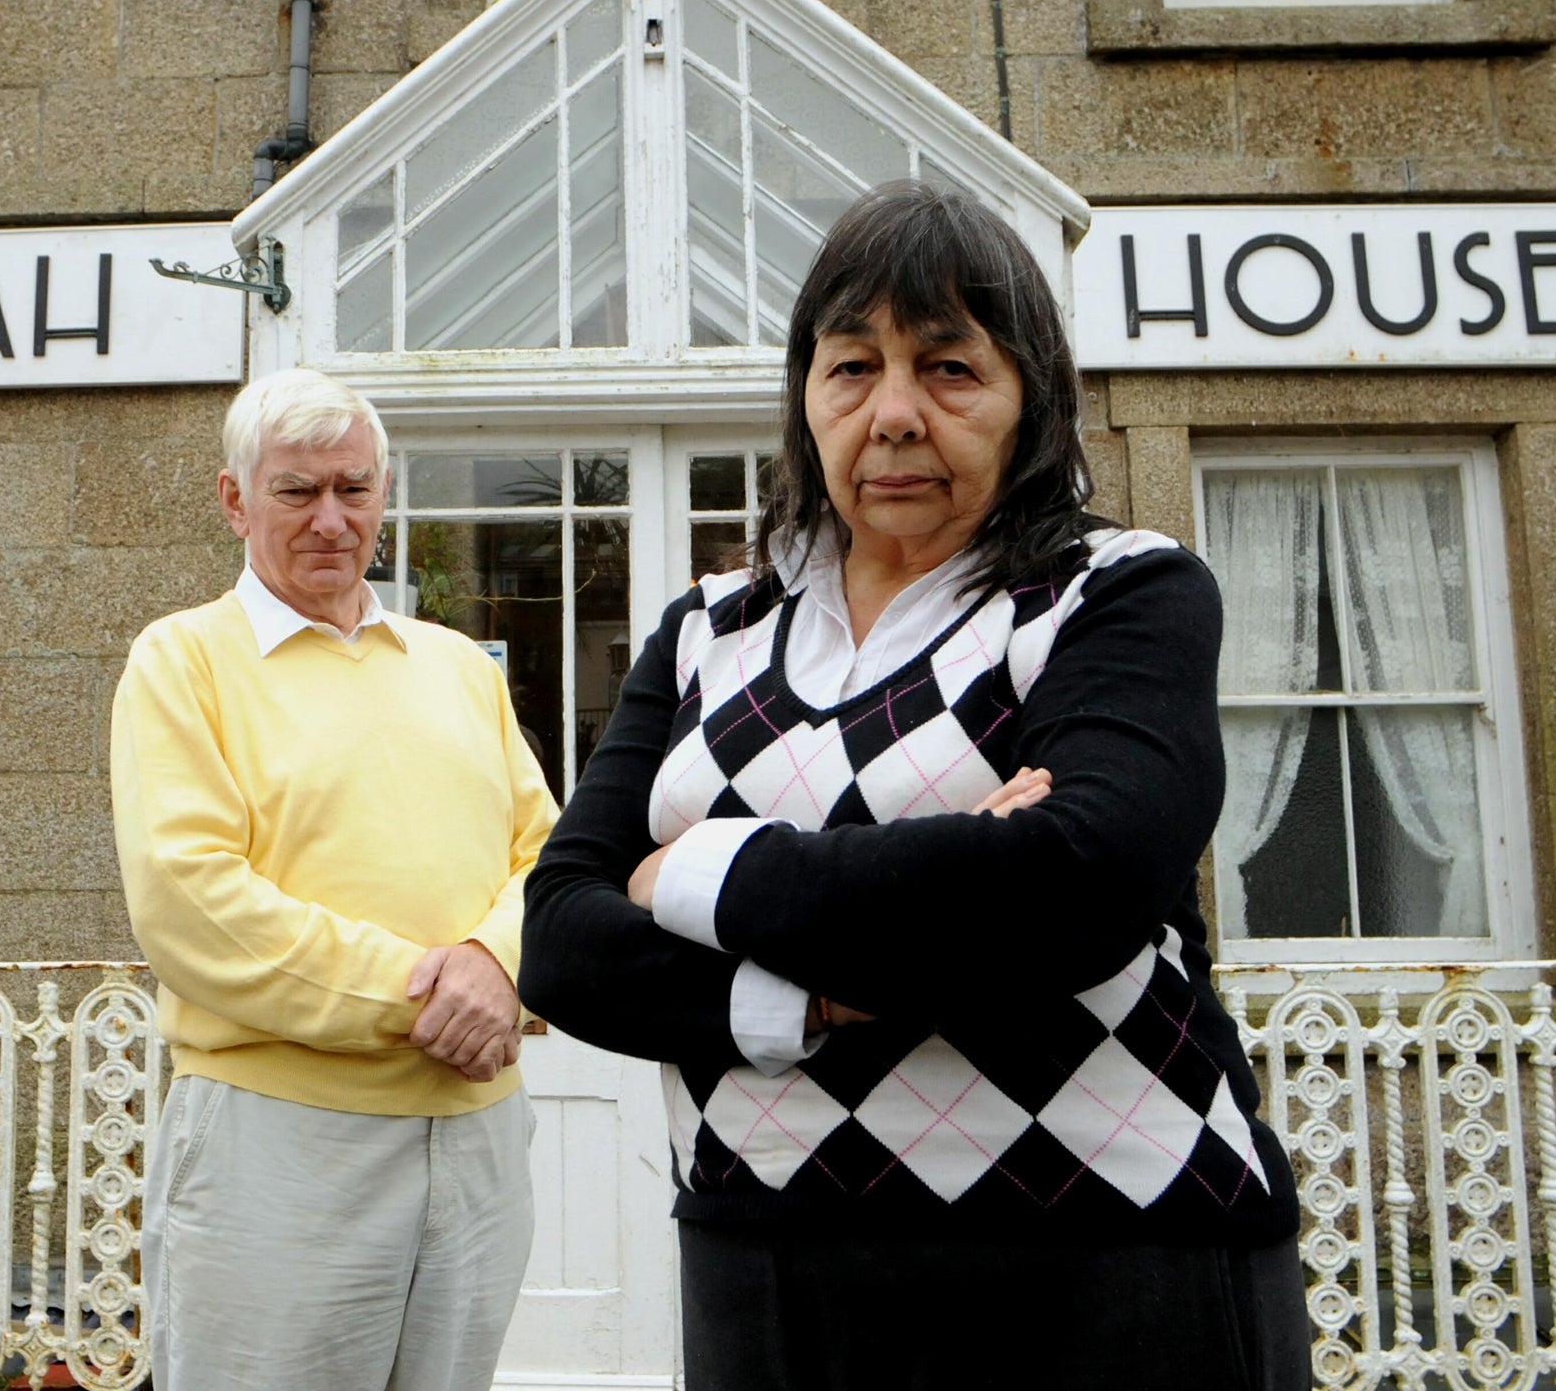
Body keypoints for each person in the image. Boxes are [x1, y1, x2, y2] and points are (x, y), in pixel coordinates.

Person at [519, 182, 1309, 1391]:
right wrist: (822, 998)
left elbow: (1078, 886)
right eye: (850, 369)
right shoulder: (703, 631)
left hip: (1111, 1249)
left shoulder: (1116, 591)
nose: (890, 416)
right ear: (804, 398)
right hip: (766, 1255)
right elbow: (566, 942)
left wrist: (695, 869)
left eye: (947, 368)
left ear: (1027, 398)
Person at [109, 369, 556, 1391]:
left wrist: (496, 964)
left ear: (383, 496)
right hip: (281, 1143)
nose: (329, 520)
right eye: (295, 492)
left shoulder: (459, 670)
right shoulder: (183, 662)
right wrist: (436, 1000)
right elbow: (190, 902)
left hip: (477, 1134)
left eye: (352, 490)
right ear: (233, 500)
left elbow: (549, 858)